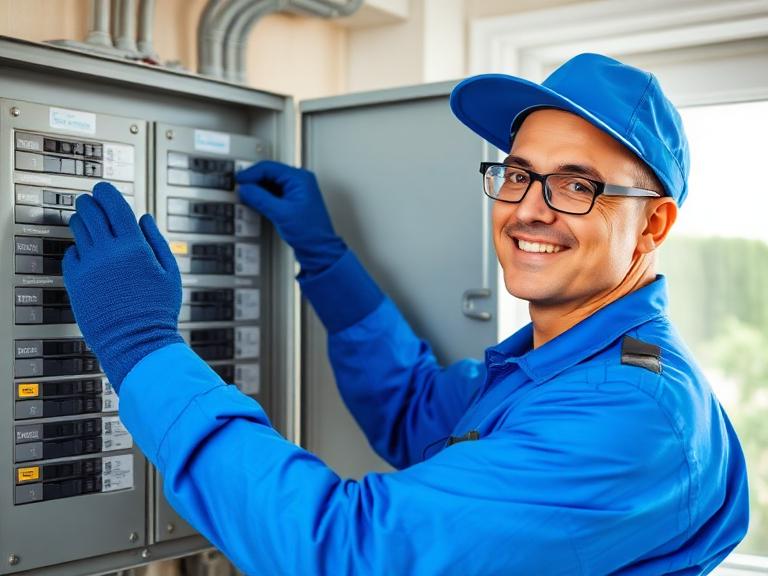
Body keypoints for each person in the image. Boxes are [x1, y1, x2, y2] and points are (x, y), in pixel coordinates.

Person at [62, 53, 748, 574]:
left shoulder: (628, 413)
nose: (529, 207)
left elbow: (346, 552)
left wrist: (140, 344)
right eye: (518, 173)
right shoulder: (565, 364)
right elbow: (414, 411)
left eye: (577, 185)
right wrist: (329, 263)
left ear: (654, 224)